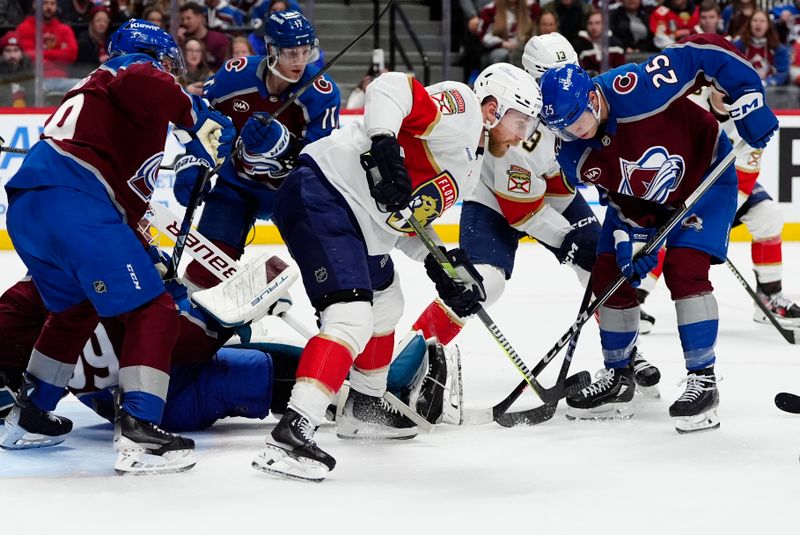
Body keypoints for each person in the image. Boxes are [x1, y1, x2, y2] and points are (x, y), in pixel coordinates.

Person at [252, 63, 540, 482]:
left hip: (361, 222)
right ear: (493, 108)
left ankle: (364, 406)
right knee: (351, 317)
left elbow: (404, 216)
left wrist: (438, 261)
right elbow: (389, 87)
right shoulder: (464, 109)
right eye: (520, 120)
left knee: (387, 304)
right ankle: (293, 430)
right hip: (326, 192)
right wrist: (384, 143)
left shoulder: (472, 161)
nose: (522, 133)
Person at [0, 19, 236, 475]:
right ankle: (140, 428)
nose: (172, 72)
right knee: (155, 310)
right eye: (168, 64)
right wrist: (200, 119)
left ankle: (31, 411)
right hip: (76, 202)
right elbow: (146, 78)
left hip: (32, 208)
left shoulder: (105, 97)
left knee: (76, 310)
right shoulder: (133, 70)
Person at [400, 32, 661, 401]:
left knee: (603, 268)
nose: (563, 87)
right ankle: (407, 360)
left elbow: (568, 176)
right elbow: (522, 212)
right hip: (492, 201)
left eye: (570, 73)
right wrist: (569, 241)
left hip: (549, 193)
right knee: (482, 285)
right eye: (550, 78)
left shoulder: (577, 105)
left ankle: (625, 356)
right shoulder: (518, 125)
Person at [538, 34, 778, 431]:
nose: (575, 132)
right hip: (640, 202)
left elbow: (703, 51)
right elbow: (615, 196)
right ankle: (619, 376)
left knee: (684, 267)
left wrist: (748, 98)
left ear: (593, 98)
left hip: (707, 178)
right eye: (562, 128)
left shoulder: (636, 87)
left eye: (577, 120)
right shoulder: (571, 151)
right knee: (608, 273)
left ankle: (703, 379)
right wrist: (627, 239)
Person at [177, 10, 340, 292]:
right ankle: (193, 324)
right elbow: (196, 115)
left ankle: (341, 325)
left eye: (306, 51)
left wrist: (285, 148)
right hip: (235, 187)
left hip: (294, 194)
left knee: (330, 270)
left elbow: (322, 162)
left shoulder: (322, 93)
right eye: (291, 53)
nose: (300, 61)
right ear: (271, 49)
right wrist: (193, 159)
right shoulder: (234, 75)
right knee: (205, 271)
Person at [14, 0, 78, 92]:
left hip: (62, 80)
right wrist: (60, 52)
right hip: (35, 80)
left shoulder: (64, 29)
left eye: (52, 4)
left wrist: (41, 53)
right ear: (34, 4)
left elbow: (72, 54)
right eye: (45, 3)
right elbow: (28, 55)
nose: (49, 7)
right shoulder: (24, 28)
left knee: (83, 86)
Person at [733, 8, 790, 87]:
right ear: (750, 24)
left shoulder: (778, 48)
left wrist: (766, 83)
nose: (758, 24)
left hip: (770, 91)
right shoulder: (738, 45)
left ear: (768, 25)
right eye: (755, 20)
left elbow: (782, 73)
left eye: (762, 21)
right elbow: (733, 70)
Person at [478, 0, 540, 67]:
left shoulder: (532, 7)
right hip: (500, 49)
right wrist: (502, 44)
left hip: (524, 47)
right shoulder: (489, 10)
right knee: (500, 55)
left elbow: (537, 31)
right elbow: (484, 36)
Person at [178, 2, 230, 71]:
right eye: (182, 19)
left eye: (188, 18)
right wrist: (181, 44)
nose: (184, 22)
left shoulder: (219, 40)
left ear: (200, 18)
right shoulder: (183, 40)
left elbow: (225, 67)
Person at [574, 8, 626, 74]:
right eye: (590, 23)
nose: (594, 27)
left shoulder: (616, 44)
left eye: (597, 23)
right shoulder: (579, 45)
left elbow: (622, 70)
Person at [72, 5, 111, 77]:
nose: (102, 24)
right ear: (92, 22)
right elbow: (84, 67)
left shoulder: (110, 40)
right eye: (98, 20)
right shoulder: (83, 42)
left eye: (105, 21)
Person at [0, 30, 34, 107]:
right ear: (2, 54)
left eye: (16, 50)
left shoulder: (29, 69)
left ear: (21, 53)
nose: (12, 55)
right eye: (8, 51)